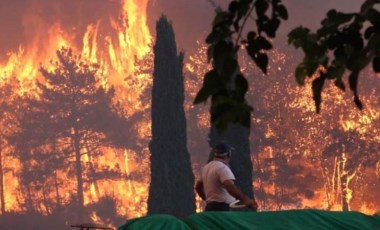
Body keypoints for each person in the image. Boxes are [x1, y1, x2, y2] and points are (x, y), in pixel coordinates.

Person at [195, 142, 258, 211]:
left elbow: (198, 187)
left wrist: (207, 200)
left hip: (210, 207)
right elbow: (229, 187)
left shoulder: (206, 167)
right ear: (228, 154)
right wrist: (245, 200)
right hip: (222, 208)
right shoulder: (222, 168)